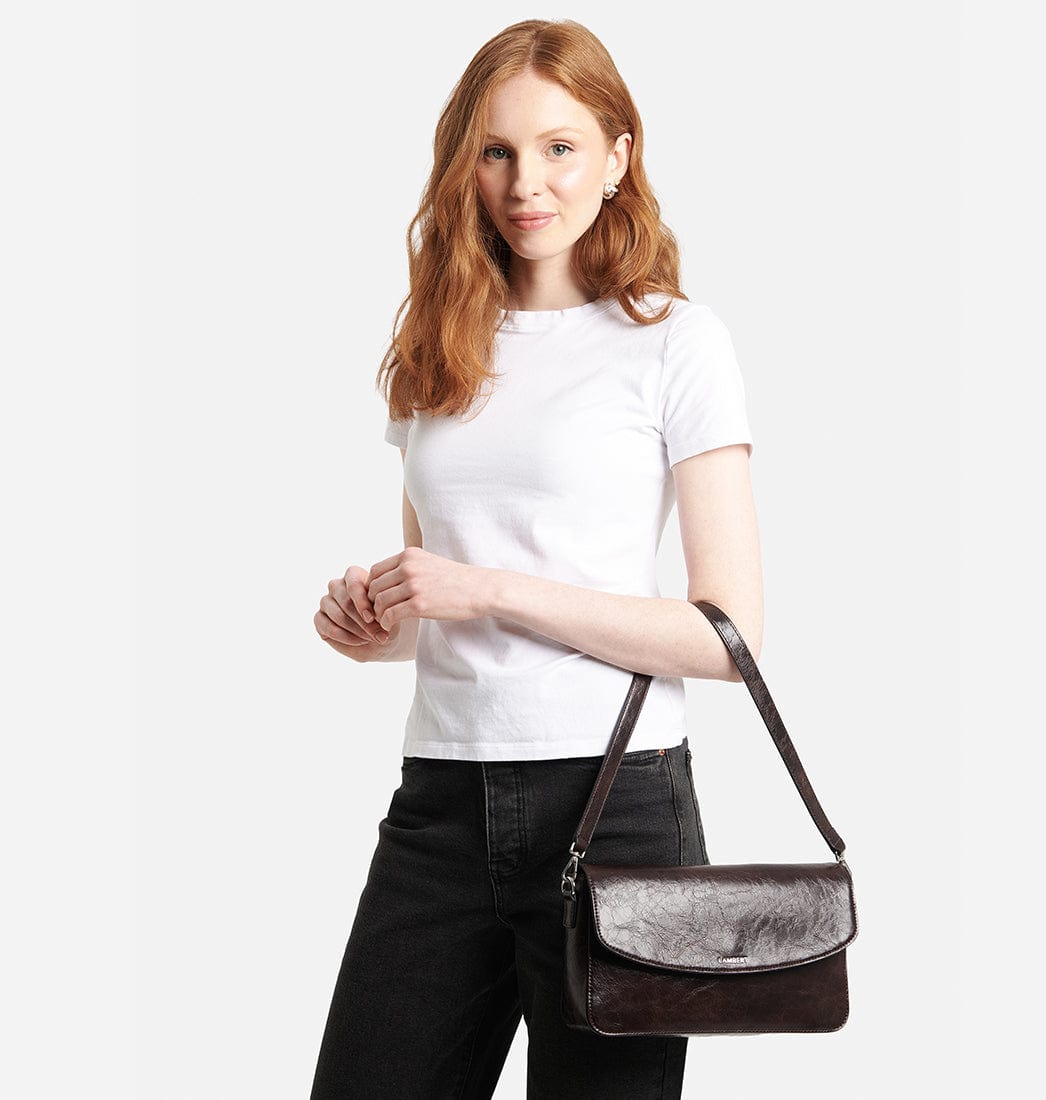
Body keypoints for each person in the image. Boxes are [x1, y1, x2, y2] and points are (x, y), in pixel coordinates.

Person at [308, 17, 763, 1100]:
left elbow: (726, 635)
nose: (527, 183)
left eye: (561, 147)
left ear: (617, 156)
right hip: (440, 802)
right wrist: (377, 624)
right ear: (463, 165)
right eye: (497, 151)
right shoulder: (435, 347)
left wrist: (490, 589)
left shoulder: (675, 342)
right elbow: (437, 599)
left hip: (617, 805)